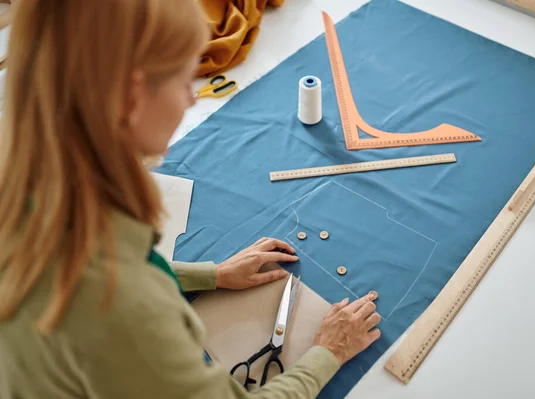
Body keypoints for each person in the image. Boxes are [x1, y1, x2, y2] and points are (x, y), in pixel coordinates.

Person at [0, 1, 381, 398]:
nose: (191, 100)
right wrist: (328, 353)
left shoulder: (24, 174)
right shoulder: (122, 309)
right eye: (183, 80)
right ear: (132, 99)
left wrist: (211, 276)